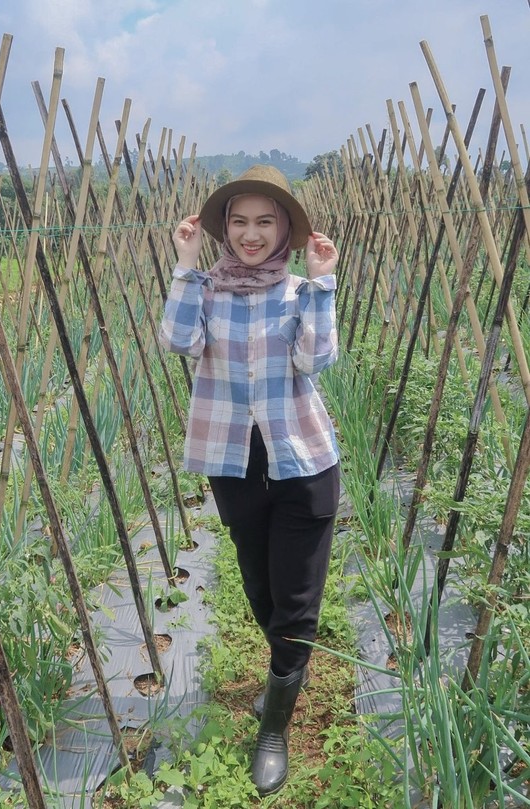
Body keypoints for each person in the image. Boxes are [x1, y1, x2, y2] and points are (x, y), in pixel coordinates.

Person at [159, 165, 340, 797]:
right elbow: (177, 340)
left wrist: (322, 284)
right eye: (239, 221)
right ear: (222, 229)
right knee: (261, 592)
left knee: (294, 605)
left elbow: (315, 359)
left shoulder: (298, 292)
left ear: (286, 229)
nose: (251, 234)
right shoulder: (204, 289)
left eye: (265, 222)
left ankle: (274, 726)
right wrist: (184, 263)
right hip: (234, 463)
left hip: (303, 459)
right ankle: (289, 663)